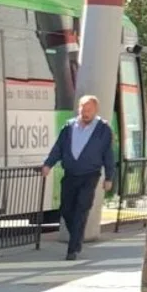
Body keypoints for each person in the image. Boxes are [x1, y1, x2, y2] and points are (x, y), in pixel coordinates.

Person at [40, 94, 117, 261]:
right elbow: (58, 148)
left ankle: (72, 249)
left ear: (95, 111)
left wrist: (109, 177)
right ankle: (77, 236)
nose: (85, 113)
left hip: (90, 175)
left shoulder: (103, 129)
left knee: (82, 208)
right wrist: (48, 164)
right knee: (66, 209)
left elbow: (108, 155)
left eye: (89, 110)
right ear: (79, 109)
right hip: (70, 174)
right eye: (83, 109)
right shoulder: (69, 127)